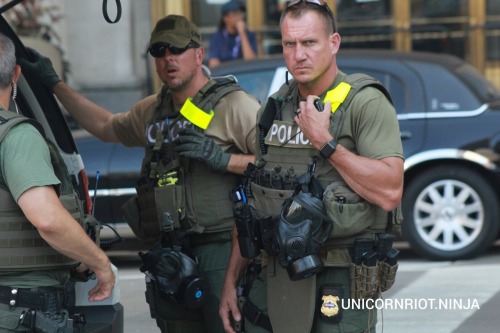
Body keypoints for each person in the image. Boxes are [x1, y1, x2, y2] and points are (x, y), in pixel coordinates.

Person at [20, 14, 263, 333]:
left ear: (199, 54)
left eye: (176, 49)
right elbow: (105, 127)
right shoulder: (153, 110)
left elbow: (273, 165)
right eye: (159, 51)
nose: (168, 59)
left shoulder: (233, 105)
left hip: (220, 249)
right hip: (172, 253)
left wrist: (223, 160)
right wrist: (54, 84)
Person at [219, 1, 404, 333]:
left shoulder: (365, 102)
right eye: (290, 44)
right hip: (274, 276)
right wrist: (230, 281)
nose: (298, 54)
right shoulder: (275, 107)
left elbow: (390, 191)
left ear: (333, 43)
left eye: (309, 43)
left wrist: (325, 142)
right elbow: (256, 198)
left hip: (339, 277)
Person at [0, 32, 115, 332]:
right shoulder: (16, 137)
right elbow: (48, 219)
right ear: (16, 74)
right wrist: (100, 264)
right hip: (20, 309)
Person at [208, 0, 258, 68]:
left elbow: (251, 62)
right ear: (225, 18)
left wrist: (242, 34)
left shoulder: (249, 35)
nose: (240, 17)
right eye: (235, 13)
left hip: (243, 74)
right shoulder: (217, 37)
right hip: (224, 75)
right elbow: (213, 64)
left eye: (241, 13)